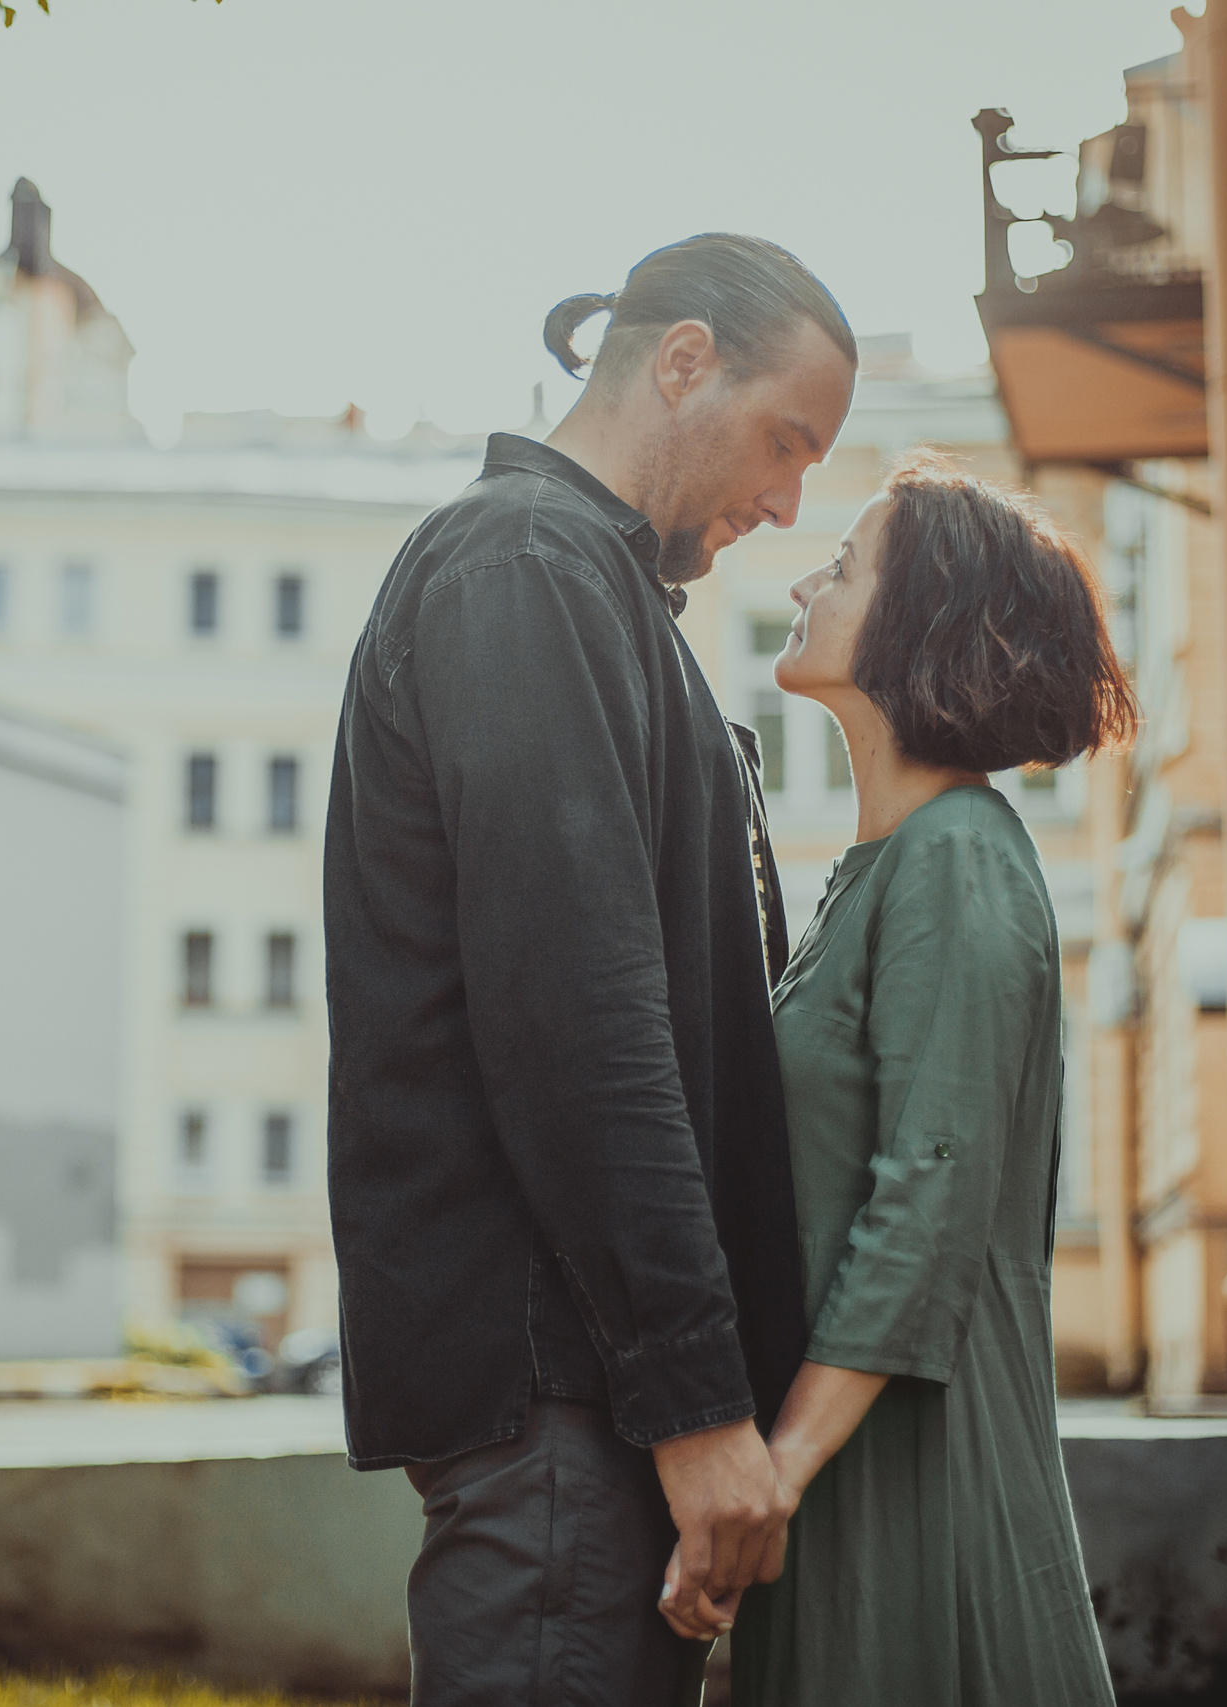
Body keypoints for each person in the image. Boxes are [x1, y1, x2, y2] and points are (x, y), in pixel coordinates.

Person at [322, 234, 856, 1706]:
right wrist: (694, 1405)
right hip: (566, 1382)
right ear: (683, 362)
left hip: (593, 1385)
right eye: (783, 439)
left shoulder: (593, 590)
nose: (788, 499)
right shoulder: (527, 568)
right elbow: (582, 1019)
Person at [711, 455, 1137, 1705]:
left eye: (841, 568)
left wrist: (770, 1477)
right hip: (854, 1454)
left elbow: (928, 1211)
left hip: (917, 1474)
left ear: (922, 620)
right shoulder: (889, 868)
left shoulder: (957, 858)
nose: (804, 579)